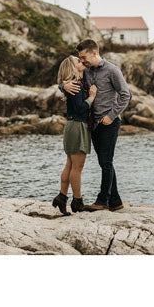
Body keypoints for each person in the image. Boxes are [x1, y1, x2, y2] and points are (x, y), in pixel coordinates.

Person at [61, 39, 132, 212]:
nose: (82, 61)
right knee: (104, 162)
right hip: (92, 124)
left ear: (94, 53)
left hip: (108, 122)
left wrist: (111, 116)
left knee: (105, 162)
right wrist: (63, 86)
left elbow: (126, 95)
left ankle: (102, 201)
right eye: (80, 58)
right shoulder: (86, 71)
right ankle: (115, 201)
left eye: (84, 57)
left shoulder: (112, 70)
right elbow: (70, 81)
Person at [52, 55, 96, 215]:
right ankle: (77, 202)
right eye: (78, 61)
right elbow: (81, 108)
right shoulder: (76, 86)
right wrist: (91, 97)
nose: (81, 61)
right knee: (77, 167)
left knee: (70, 165)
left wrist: (62, 85)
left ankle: (61, 197)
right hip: (78, 126)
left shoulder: (72, 84)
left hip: (72, 126)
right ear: (72, 67)